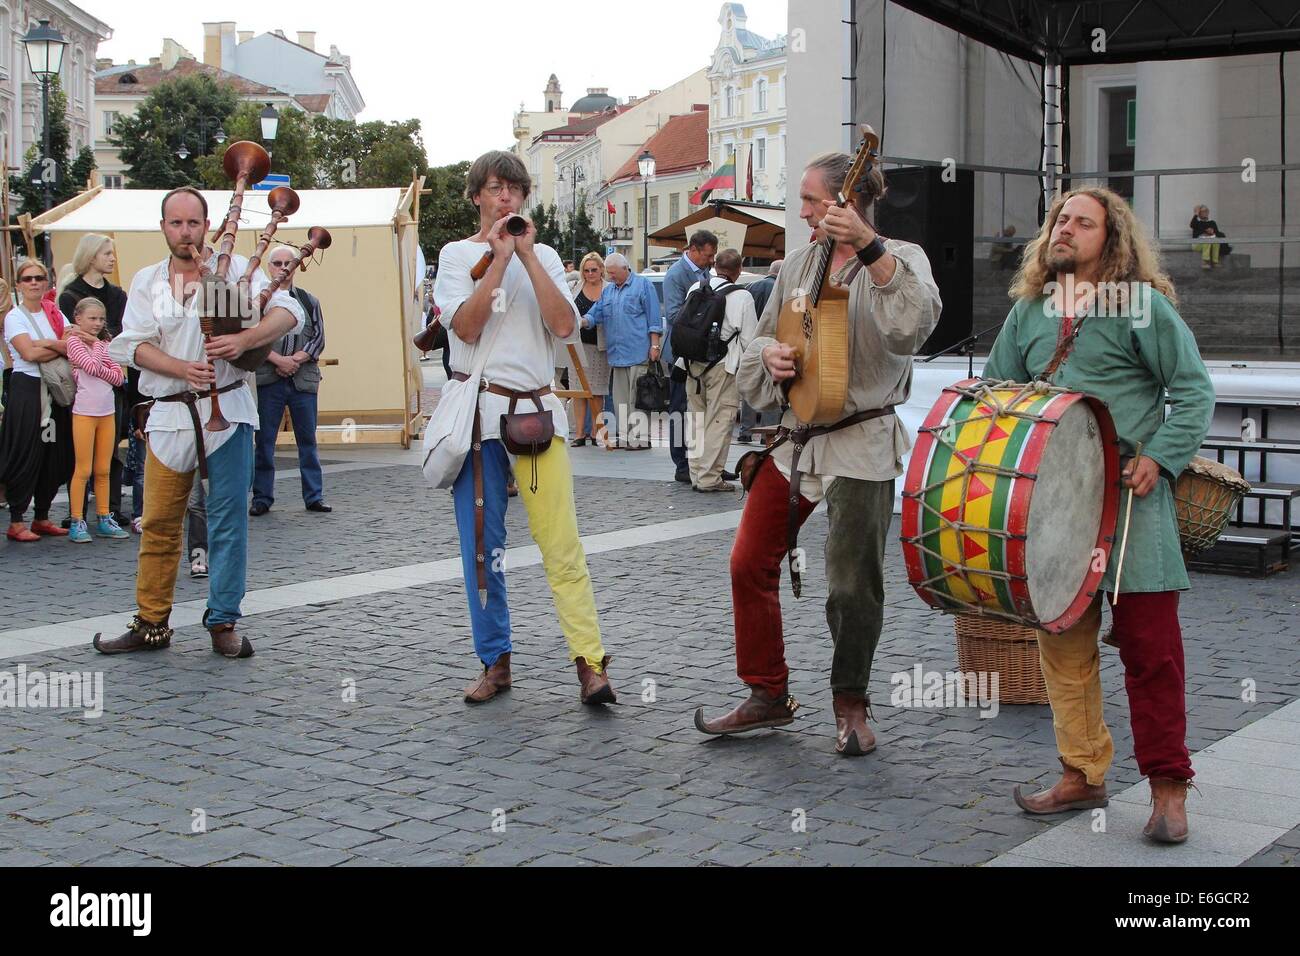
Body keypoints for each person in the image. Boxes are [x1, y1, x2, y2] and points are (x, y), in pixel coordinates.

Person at [985, 186, 1214, 845]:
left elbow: (1193, 390)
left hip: (1133, 503)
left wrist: (1163, 459)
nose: (1066, 230)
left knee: (1150, 650)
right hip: (1052, 509)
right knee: (1062, 646)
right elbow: (1001, 394)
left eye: (1083, 223)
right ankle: (1082, 772)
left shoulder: (1139, 306)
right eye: (1060, 220)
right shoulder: (1029, 310)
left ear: (1111, 239)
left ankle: (1169, 789)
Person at [693, 151, 942, 756]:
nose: (801, 212)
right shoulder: (799, 264)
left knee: (851, 586)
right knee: (748, 562)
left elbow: (913, 327)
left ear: (846, 201)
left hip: (860, 442)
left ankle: (850, 703)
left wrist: (871, 250)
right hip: (796, 442)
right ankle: (767, 693)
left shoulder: (903, 259)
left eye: (810, 200)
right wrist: (771, 361)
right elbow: (761, 345)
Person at [93, 186, 306, 659]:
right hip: (169, 413)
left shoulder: (233, 271)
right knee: (160, 524)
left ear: (206, 226)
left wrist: (247, 337)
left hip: (227, 412)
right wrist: (180, 368)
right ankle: (151, 623)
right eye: (176, 223)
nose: (185, 232)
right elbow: (131, 345)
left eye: (193, 223)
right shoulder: (149, 280)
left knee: (228, 521)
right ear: (164, 227)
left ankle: (223, 621)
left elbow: (291, 310)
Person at [433, 150, 615, 706]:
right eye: (495, 188)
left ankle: (589, 662)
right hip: (480, 418)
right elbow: (463, 329)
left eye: (514, 189)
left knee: (562, 542)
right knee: (482, 549)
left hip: (535, 414)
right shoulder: (453, 255)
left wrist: (529, 257)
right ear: (477, 197)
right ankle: (496, 661)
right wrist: (495, 260)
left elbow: (565, 325)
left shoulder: (549, 256)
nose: (505, 197)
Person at [250, 244, 331, 516]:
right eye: (277, 263)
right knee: (264, 442)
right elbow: (251, 339)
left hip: (302, 380)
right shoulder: (257, 302)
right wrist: (277, 360)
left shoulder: (309, 300)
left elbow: (318, 337)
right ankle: (262, 497)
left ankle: (314, 495)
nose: (283, 268)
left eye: (288, 263)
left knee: (307, 441)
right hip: (268, 379)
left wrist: (298, 358)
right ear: (268, 267)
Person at [0, 259, 77, 542]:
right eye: (28, 278)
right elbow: (28, 355)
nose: (34, 282)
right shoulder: (14, 317)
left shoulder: (54, 313)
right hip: (28, 392)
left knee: (53, 451)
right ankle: (17, 520)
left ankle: (42, 516)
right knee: (26, 451)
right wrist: (56, 346)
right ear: (19, 285)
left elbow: (73, 345)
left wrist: (44, 344)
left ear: (46, 283)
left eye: (39, 278)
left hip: (55, 391)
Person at [59, 233, 132, 529]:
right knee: (80, 453)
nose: (112, 258)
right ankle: (77, 512)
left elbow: (121, 334)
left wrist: (97, 339)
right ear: (90, 257)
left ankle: (109, 509)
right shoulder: (70, 294)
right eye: (107, 253)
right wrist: (101, 341)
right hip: (80, 387)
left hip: (110, 384)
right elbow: (69, 337)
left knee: (110, 451)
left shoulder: (117, 295)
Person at [675, 248, 757, 491]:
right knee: (719, 422)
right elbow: (749, 340)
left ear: (715, 266)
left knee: (697, 421)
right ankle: (709, 478)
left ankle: (696, 473)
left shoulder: (695, 288)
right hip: (724, 366)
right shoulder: (742, 296)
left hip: (692, 364)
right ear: (738, 270)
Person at [64, 297, 130, 543]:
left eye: (101, 319)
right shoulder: (74, 342)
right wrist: (99, 346)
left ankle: (104, 516)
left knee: (103, 469)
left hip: (106, 413)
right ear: (78, 319)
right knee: (83, 469)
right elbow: (91, 367)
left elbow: (119, 378)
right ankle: (76, 519)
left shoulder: (104, 343)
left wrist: (100, 347)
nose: (97, 323)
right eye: (92, 319)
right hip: (84, 413)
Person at [582, 252, 661, 450]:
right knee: (620, 401)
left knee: (637, 398)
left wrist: (654, 345)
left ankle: (640, 439)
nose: (610, 277)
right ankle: (626, 437)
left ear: (625, 269)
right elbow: (596, 313)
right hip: (616, 355)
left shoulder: (642, 285)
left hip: (638, 352)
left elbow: (654, 318)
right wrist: (583, 321)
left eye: (613, 273)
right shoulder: (609, 292)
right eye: (608, 273)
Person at [662, 231, 718, 479]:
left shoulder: (705, 272)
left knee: (700, 408)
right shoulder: (676, 274)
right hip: (680, 353)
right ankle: (680, 464)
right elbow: (673, 315)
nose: (711, 260)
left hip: (699, 351)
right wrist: (704, 318)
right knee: (679, 407)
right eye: (708, 255)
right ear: (693, 250)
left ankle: (702, 461)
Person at [567, 251, 612, 447]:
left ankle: (596, 432)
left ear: (601, 270)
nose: (590, 273)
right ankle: (579, 433)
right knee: (578, 390)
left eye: (594, 269)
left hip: (601, 345)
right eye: (586, 270)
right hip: (578, 345)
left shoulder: (609, 289)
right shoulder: (575, 288)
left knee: (597, 391)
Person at [737, 259, 781, 444]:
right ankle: (767, 435)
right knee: (771, 388)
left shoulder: (751, 287)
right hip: (772, 343)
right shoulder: (779, 289)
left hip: (751, 343)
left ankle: (745, 431)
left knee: (751, 387)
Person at [1190, 205, 1225, 270]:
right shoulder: (1197, 222)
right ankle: (1205, 262)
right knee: (1207, 240)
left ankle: (1215, 261)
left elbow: (1218, 233)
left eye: (1206, 211)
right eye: (1203, 211)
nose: (1205, 213)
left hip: (1210, 243)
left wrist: (1213, 232)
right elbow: (1192, 225)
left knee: (1216, 241)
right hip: (1197, 244)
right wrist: (1196, 214)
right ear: (1199, 213)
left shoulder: (1212, 222)